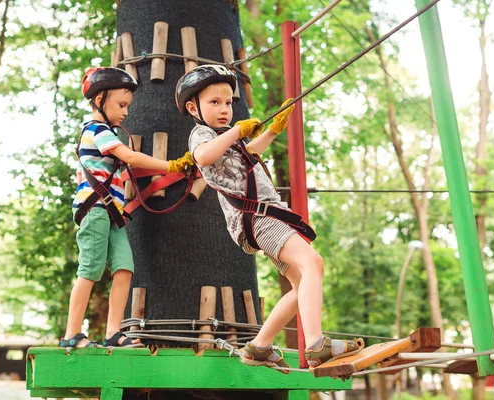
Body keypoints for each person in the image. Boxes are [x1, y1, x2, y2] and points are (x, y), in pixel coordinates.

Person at [176, 64, 364, 371]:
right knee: (313, 263)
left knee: (301, 281)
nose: (225, 109)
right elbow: (204, 157)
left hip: (263, 217)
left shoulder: (226, 137)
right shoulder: (202, 134)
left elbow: (249, 156)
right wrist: (237, 130)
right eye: (215, 102)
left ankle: (259, 347)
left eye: (228, 102)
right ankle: (316, 345)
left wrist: (272, 130)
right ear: (192, 106)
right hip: (258, 218)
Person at [61, 67, 191, 349]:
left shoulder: (106, 133)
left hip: (113, 212)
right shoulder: (97, 130)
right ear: (99, 101)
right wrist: (171, 165)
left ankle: (113, 332)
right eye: (121, 105)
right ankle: (72, 334)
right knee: (90, 269)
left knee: (124, 269)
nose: (126, 112)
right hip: (95, 209)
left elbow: (126, 164)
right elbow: (129, 155)